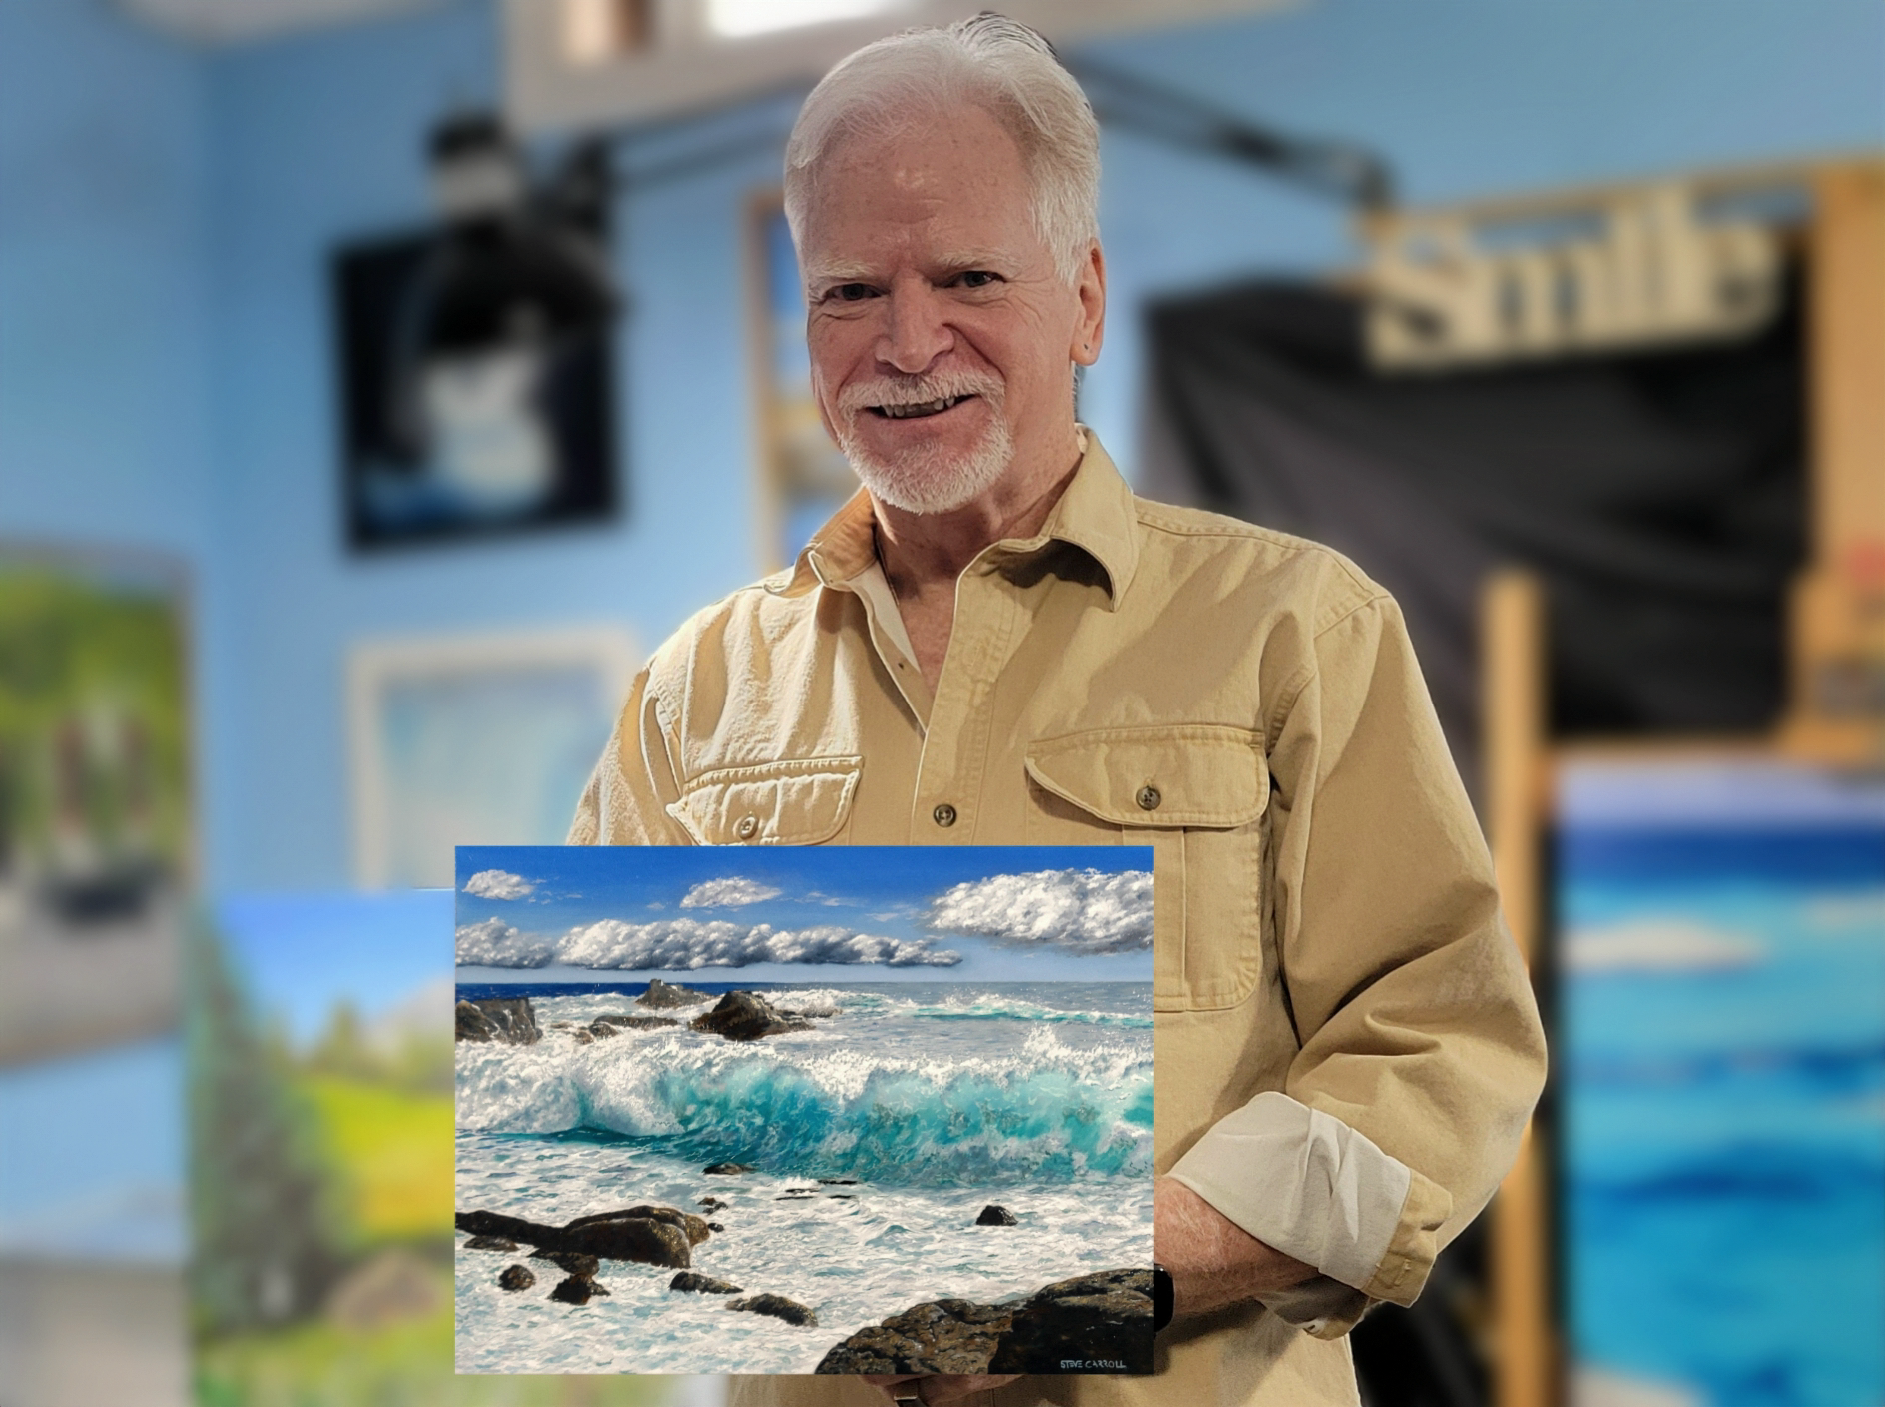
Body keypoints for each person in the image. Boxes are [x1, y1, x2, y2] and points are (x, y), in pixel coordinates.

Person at [569, 15, 1547, 1406]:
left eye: (969, 274)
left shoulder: (1300, 628)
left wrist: (1109, 1261)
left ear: (1084, 298)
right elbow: (593, 1062)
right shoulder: (689, 692)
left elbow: (1446, 1043)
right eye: (852, 291)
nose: (909, 340)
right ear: (807, 329)